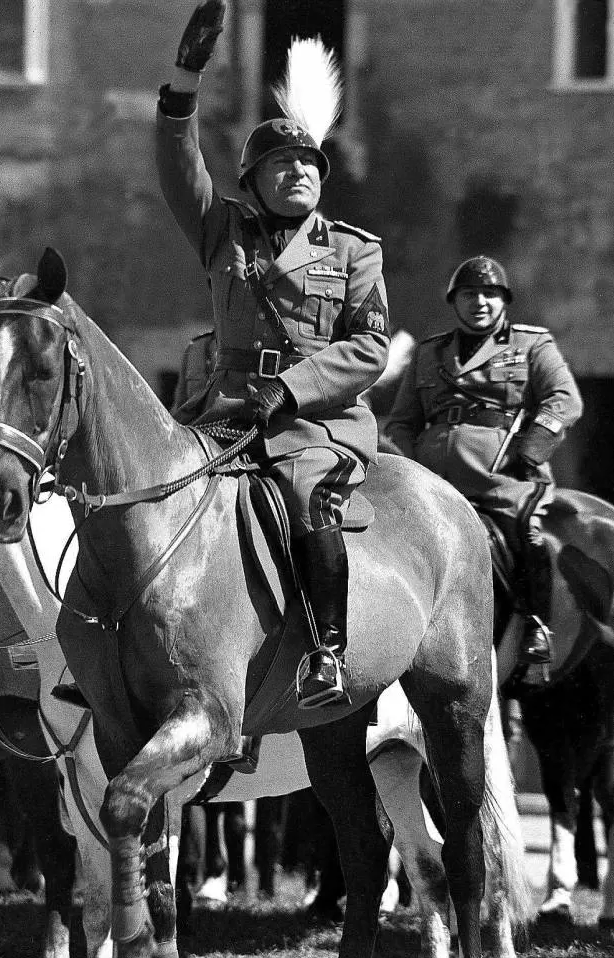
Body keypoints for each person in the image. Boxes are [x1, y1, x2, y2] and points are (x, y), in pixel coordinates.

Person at [155, 2, 391, 707]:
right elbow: (177, 165)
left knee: (305, 495)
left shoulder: (353, 251)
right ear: (252, 180)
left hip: (313, 422)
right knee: (148, 488)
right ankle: (114, 644)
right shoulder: (221, 229)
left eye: (308, 163)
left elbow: (369, 346)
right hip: (223, 410)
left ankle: (326, 652)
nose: (298, 171)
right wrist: (184, 81)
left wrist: (289, 390)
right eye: (281, 164)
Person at [383, 255, 583, 665]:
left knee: (529, 533)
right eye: (469, 294)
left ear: (504, 300)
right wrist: (409, 465)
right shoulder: (429, 353)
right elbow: (402, 422)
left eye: (490, 294)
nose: (480, 302)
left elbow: (564, 399)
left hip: (503, 478)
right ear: (454, 301)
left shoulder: (531, 345)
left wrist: (532, 448)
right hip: (434, 480)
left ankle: (536, 625)